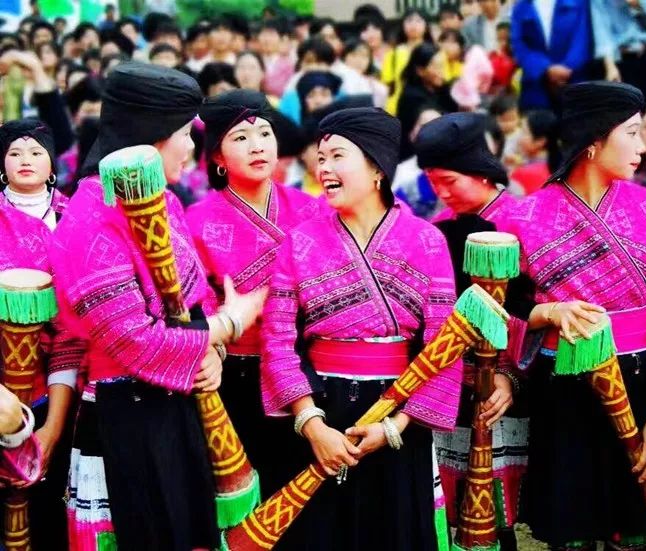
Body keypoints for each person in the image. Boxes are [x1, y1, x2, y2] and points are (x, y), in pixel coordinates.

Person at [50, 62, 265, 551]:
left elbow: (193, 301)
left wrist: (214, 353)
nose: (192, 147)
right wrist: (227, 326)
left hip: (180, 407)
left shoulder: (163, 201)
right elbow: (132, 339)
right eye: (185, 133)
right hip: (126, 417)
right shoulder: (87, 219)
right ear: (150, 136)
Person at [510, 81, 646, 549]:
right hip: (560, 393)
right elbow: (500, 311)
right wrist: (545, 313)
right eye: (633, 132)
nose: (642, 146)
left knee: (636, 526)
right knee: (569, 530)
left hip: (641, 386)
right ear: (594, 140)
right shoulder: (524, 216)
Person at [260, 107, 462, 550]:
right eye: (321, 157)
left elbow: (444, 347)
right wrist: (312, 424)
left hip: (398, 416)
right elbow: (277, 340)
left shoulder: (427, 241)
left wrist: (397, 426)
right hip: (320, 412)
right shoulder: (300, 240)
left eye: (337, 156)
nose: (323, 167)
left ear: (376, 167)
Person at [186, 89, 321, 498]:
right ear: (217, 158)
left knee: (301, 495)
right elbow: (196, 302)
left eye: (264, 133)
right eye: (240, 138)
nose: (257, 145)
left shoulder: (312, 210)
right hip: (233, 376)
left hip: (303, 369)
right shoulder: (196, 220)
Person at [415, 112, 530, 551]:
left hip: (509, 383)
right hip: (452, 379)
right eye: (433, 183)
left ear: (482, 173)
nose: (442, 193)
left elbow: (534, 308)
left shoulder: (522, 220)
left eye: (450, 180)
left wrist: (510, 374)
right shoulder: (439, 230)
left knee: (503, 507)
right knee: (458, 496)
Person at [0, 196, 81, 551]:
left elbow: (66, 338)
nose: (26, 159)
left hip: (42, 398)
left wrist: (51, 429)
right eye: (16, 151)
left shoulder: (65, 224)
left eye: (36, 150)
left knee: (44, 519)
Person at [511, 0, 594, 109]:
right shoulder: (521, 7)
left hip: (575, 82)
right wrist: (545, 68)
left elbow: (582, 39)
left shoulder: (579, 3)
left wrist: (567, 68)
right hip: (536, 85)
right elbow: (519, 46)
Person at [0, 120, 69, 229]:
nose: (26, 161)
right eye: (15, 154)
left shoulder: (70, 212)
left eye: (36, 153)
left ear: (51, 165)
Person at [396, 44, 457, 160]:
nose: (441, 71)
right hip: (414, 159)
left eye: (442, 66)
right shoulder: (411, 96)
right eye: (436, 67)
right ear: (420, 71)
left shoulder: (442, 89)